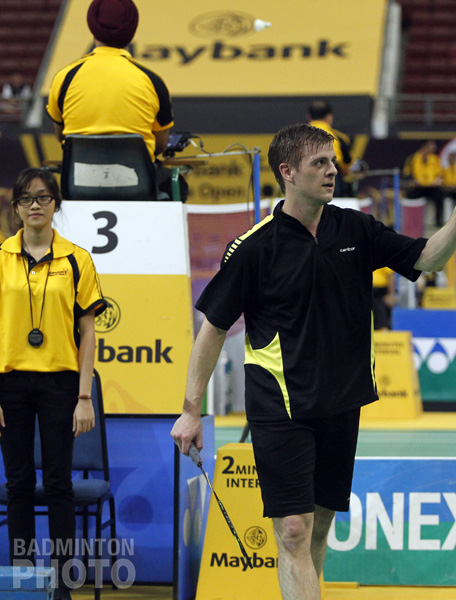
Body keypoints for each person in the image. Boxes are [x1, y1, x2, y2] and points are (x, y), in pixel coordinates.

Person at [171, 123, 456, 600]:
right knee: (293, 530)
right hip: (281, 404)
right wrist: (191, 409)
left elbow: (426, 259)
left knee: (318, 526)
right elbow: (213, 327)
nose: (332, 171)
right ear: (288, 172)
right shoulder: (254, 247)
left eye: (332, 161)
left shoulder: (355, 228)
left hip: (341, 401)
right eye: (319, 162)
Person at [0, 168, 107, 600]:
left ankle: (63, 585)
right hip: (9, 384)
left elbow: (89, 333)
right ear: (16, 208)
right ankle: (23, 582)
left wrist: (85, 396)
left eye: (43, 197)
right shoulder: (1, 256)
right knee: (19, 484)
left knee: (60, 484)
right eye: (26, 199)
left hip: (62, 385)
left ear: (56, 204)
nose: (35, 206)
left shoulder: (76, 259)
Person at [46, 0, 180, 199]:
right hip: (138, 188)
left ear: (92, 27)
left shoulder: (65, 77)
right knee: (177, 185)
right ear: (132, 30)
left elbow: (61, 136)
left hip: (79, 187)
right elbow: (160, 145)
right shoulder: (152, 81)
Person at [307, 100, 353, 197]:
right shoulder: (339, 137)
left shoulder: (298, 136)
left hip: (307, 177)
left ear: (309, 117)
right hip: (334, 179)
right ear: (329, 117)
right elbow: (347, 166)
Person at [407, 140, 445, 227]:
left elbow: (441, 174)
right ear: (424, 147)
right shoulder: (412, 159)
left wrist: (438, 180)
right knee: (410, 196)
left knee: (440, 196)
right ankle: (413, 222)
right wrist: (412, 181)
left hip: (432, 187)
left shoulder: (435, 159)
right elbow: (407, 174)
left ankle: (438, 222)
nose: (434, 148)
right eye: (431, 146)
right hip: (418, 187)